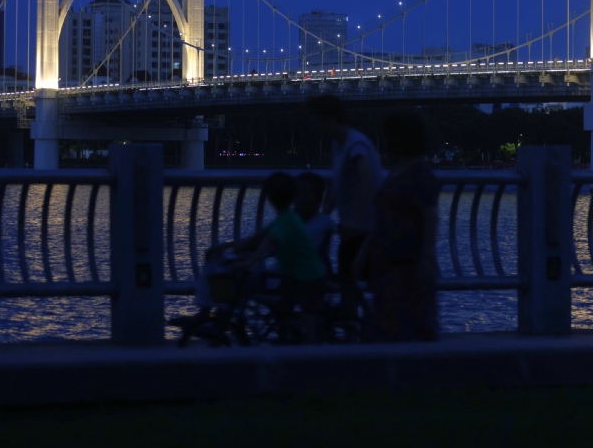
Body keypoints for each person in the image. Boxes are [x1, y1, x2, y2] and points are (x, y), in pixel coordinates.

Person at [177, 172, 327, 331]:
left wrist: (245, 260)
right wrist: (229, 247)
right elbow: (259, 239)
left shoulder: (290, 221)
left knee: (224, 271)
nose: (300, 200)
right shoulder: (289, 219)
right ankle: (218, 316)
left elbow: (265, 245)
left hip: (287, 279)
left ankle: (214, 315)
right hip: (288, 276)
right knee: (224, 266)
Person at [356, 108, 439, 342]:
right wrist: (364, 253)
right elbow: (382, 218)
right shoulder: (397, 172)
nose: (386, 140)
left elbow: (430, 217)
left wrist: (426, 259)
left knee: (407, 330)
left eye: (390, 135)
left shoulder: (419, 174)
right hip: (387, 262)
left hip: (407, 264)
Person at [308, 94, 382, 313]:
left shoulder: (355, 143)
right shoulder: (338, 144)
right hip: (357, 231)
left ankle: (356, 337)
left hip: (367, 232)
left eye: (315, 120)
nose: (313, 126)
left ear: (330, 118)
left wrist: (352, 221)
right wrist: (325, 212)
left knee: (350, 286)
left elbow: (367, 181)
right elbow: (338, 182)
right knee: (348, 285)